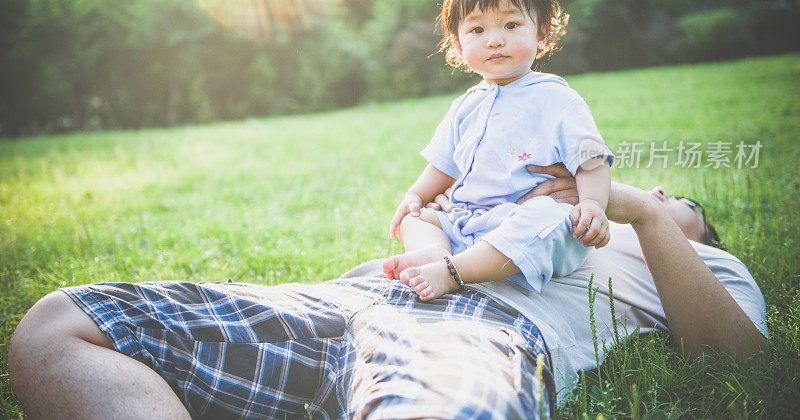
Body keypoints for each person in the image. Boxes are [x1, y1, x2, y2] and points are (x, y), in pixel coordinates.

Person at [9, 166, 767, 419]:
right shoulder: (542, 213)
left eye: (684, 202)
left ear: (697, 233)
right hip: (352, 301)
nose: (665, 192)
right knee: (61, 325)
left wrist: (643, 213)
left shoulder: (703, 267)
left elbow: (739, 362)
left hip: (478, 330)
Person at [382, 0, 614, 301]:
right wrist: (414, 196)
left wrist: (593, 203)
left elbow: (590, 159)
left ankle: (454, 271)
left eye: (510, 25)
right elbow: (443, 165)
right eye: (477, 30)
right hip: (469, 221)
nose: (494, 40)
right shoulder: (465, 105)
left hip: (523, 219)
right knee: (418, 218)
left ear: (542, 35)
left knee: (549, 220)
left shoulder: (555, 98)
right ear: (458, 46)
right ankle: (436, 254)